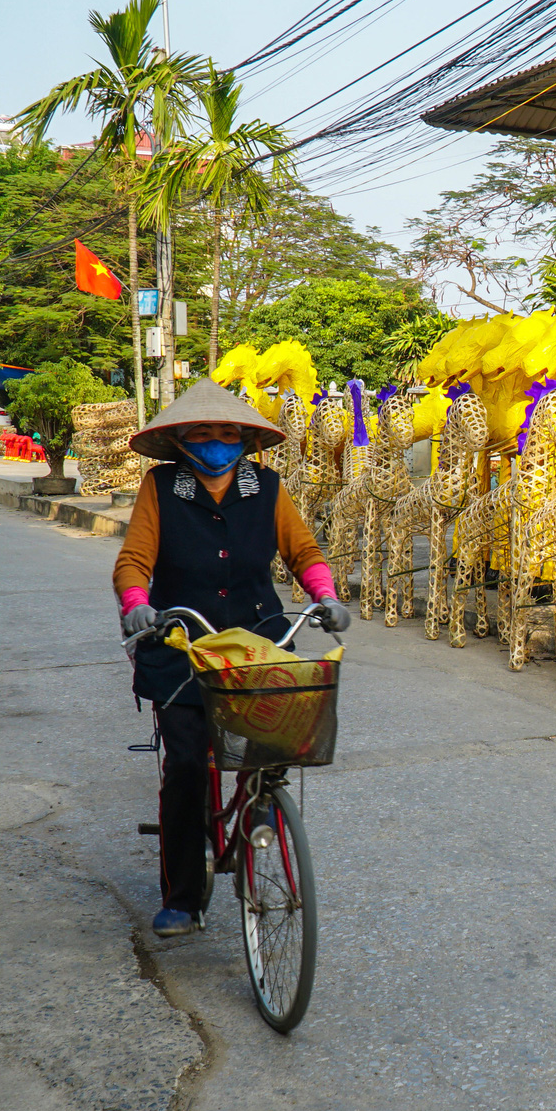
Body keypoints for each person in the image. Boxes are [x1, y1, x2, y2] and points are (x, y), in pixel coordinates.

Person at [113, 379, 352, 939]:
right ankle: (182, 896)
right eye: (204, 432)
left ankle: (260, 808)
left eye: (228, 432)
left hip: (257, 640)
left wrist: (327, 596)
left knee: (272, 745)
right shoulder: (161, 486)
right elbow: (134, 560)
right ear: (182, 439)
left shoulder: (266, 487)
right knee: (190, 764)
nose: (217, 441)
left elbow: (304, 551)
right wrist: (136, 605)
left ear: (244, 439)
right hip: (182, 644)